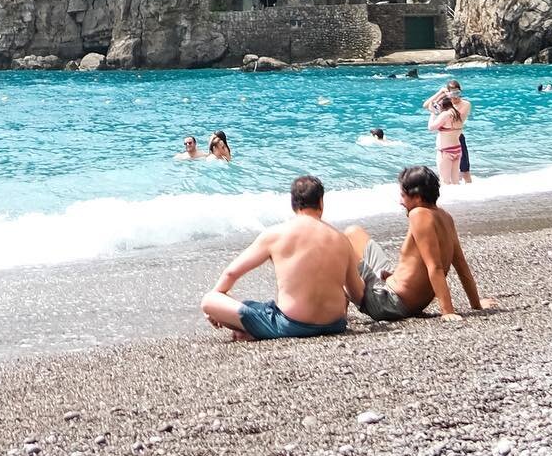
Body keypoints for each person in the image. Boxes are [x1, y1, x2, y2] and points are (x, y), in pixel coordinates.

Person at [201, 174, 359, 342]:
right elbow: (357, 293)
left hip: (290, 325)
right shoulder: (341, 239)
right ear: (321, 202)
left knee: (210, 300)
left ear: (293, 204)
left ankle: (254, 331)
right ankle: (254, 330)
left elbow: (231, 274)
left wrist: (218, 305)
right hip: (335, 324)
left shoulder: (276, 234)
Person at [344, 164, 491, 323]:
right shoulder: (446, 217)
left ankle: (338, 314)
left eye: (403, 196)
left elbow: (435, 266)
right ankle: (342, 309)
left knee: (339, 250)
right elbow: (461, 265)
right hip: (395, 293)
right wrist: (476, 304)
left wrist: (447, 311)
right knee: (353, 232)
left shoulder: (419, 214)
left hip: (388, 303)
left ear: (418, 197)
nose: (401, 202)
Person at [425, 82, 469, 185]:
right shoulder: (452, 111)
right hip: (456, 147)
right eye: (452, 93)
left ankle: (451, 200)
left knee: (447, 180)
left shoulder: (453, 110)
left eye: (457, 92)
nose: (455, 95)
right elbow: (427, 105)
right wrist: (440, 93)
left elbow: (431, 127)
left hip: (447, 148)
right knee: (455, 180)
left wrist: (435, 112)